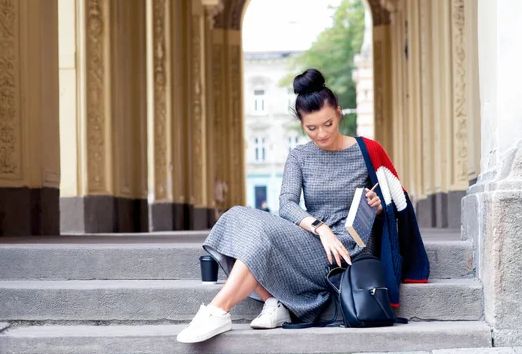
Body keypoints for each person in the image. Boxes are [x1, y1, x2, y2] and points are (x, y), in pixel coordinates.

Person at [176, 68, 429, 344]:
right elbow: (286, 204)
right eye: (312, 128)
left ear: (339, 113)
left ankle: (221, 309)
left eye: (328, 124)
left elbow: (395, 201)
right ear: (302, 124)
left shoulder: (367, 150)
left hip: (347, 249)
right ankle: (264, 303)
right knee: (238, 216)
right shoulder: (299, 156)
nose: (321, 134)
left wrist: (379, 207)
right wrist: (321, 229)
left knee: (262, 239)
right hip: (315, 239)